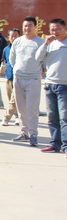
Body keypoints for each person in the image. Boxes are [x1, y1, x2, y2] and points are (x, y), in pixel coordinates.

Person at [9, 17, 45, 146]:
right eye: (25, 26)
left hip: (33, 79)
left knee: (32, 108)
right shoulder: (17, 41)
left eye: (30, 25)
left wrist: (37, 72)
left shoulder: (40, 42)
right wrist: (17, 70)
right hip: (18, 78)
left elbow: (45, 62)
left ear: (35, 27)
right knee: (21, 108)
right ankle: (24, 132)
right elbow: (12, 59)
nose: (27, 28)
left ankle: (33, 134)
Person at [35, 18, 67, 155]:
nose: (55, 32)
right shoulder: (49, 44)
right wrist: (46, 43)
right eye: (52, 30)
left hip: (65, 85)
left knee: (64, 117)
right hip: (50, 84)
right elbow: (38, 57)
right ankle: (55, 144)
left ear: (65, 28)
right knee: (52, 117)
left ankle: (66, 146)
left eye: (58, 29)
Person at [0, 28, 21, 127]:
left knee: (13, 99)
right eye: (11, 36)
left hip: (19, 77)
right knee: (11, 100)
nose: (13, 38)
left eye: (15, 35)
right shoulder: (6, 49)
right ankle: (17, 117)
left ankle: (6, 117)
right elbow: (4, 61)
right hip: (8, 76)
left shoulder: (21, 48)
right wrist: (2, 67)